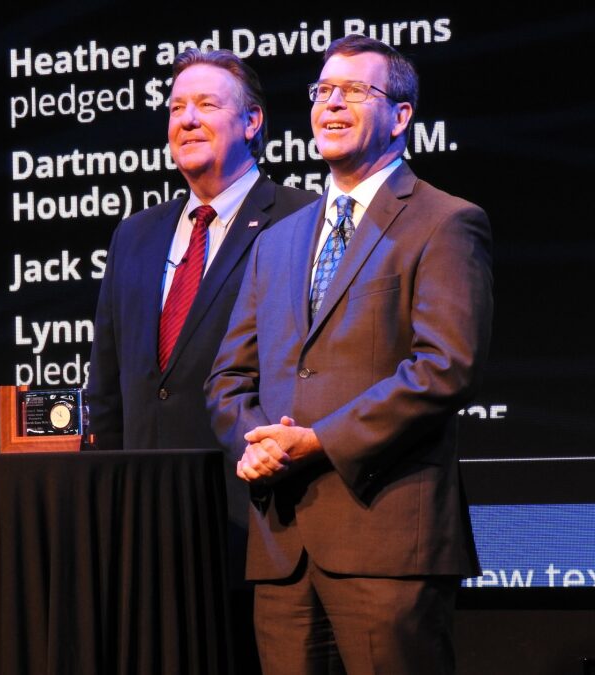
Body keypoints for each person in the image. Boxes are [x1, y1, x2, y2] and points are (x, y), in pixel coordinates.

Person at [206, 35, 491, 675]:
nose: (331, 104)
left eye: (355, 91)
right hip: (283, 548)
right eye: (322, 91)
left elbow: (444, 367)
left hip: (388, 541)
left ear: (401, 115)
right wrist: (256, 442)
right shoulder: (276, 242)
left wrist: (319, 440)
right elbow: (228, 377)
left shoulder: (445, 222)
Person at [87, 47, 315, 452]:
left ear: (251, 121)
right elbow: (106, 388)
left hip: (252, 496)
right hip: (145, 495)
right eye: (177, 109)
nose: (187, 120)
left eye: (206, 105)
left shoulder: (300, 220)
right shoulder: (134, 236)